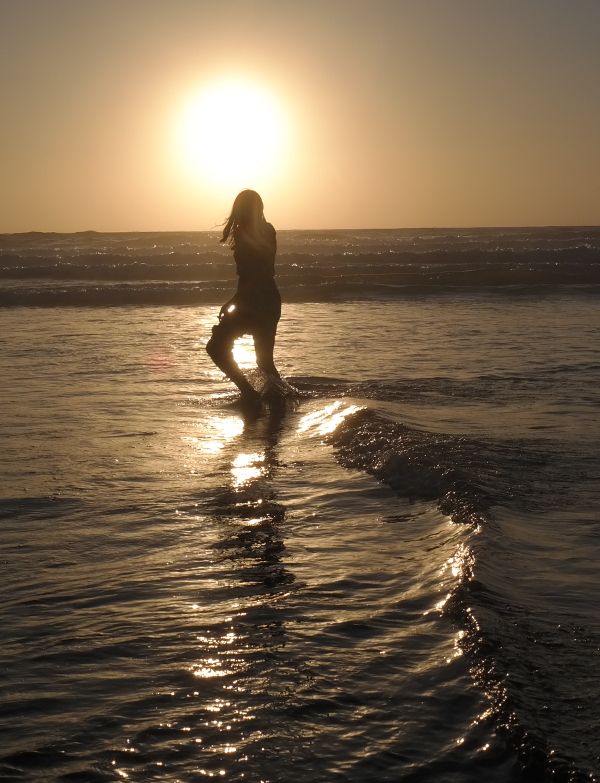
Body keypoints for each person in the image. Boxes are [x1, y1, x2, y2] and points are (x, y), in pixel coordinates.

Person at [206, 189, 281, 402]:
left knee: (215, 347)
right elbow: (262, 272)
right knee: (265, 362)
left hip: (253, 300)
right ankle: (280, 398)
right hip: (270, 298)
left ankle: (249, 394)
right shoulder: (269, 230)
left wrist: (236, 301)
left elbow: (252, 274)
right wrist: (233, 301)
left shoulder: (243, 234)